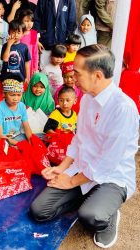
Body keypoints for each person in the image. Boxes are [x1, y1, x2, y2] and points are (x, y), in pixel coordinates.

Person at [30, 44, 139, 249]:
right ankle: (92, 198)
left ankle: (108, 215)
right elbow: (78, 139)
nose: (73, 77)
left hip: (112, 177)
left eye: (77, 73)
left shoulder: (123, 109)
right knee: (39, 210)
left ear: (97, 75)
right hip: (83, 169)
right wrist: (61, 169)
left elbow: (106, 164)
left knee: (91, 215)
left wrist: (71, 182)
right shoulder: (87, 99)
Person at [0, 79, 33, 145]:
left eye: (19, 95)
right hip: (4, 139)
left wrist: (31, 141)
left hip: (17, 135)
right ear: (4, 94)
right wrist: (18, 144)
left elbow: (26, 126)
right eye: (12, 95)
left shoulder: (22, 106)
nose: (16, 99)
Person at [19, 9, 39, 77]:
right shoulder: (18, 34)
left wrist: (35, 68)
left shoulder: (33, 33)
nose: (29, 23)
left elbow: (35, 52)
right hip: (19, 64)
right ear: (20, 21)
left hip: (30, 65)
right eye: (26, 21)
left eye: (31, 21)